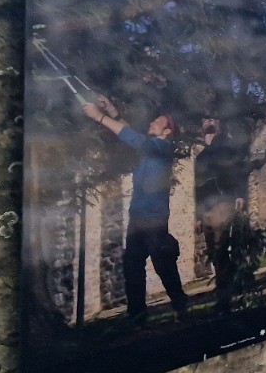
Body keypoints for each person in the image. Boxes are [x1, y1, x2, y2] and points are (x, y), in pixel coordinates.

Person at [81, 96, 189, 322]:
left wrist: (99, 117)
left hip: (154, 219)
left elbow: (135, 139)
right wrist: (113, 111)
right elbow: (132, 135)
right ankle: (137, 314)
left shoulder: (163, 147)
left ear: (167, 132)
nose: (151, 123)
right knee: (132, 265)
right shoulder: (152, 148)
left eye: (157, 122)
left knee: (163, 264)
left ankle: (181, 305)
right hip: (138, 218)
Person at [196, 117, 248, 313]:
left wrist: (240, 194)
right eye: (206, 119)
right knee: (215, 253)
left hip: (224, 202)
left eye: (213, 119)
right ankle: (231, 286)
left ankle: (223, 298)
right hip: (207, 210)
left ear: (220, 124)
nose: (209, 122)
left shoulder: (228, 147)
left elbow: (238, 172)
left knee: (219, 248)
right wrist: (198, 216)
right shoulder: (201, 157)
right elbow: (198, 188)